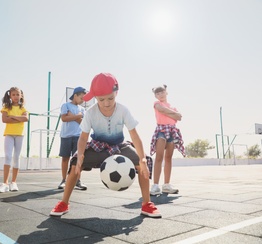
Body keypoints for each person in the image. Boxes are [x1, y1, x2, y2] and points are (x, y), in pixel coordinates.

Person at [50, 73, 161, 218]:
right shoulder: (90, 113)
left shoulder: (123, 110)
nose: (106, 103)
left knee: (143, 163)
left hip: (119, 146)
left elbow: (135, 135)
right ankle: (64, 203)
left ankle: (146, 204)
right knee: (75, 164)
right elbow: (83, 138)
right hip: (98, 145)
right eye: (101, 99)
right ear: (95, 97)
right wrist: (81, 154)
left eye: (110, 98)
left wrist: (143, 159)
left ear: (116, 93)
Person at [149, 85, 185, 196]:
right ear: (155, 95)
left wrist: (168, 112)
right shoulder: (156, 103)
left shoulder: (172, 106)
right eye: (157, 93)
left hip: (172, 130)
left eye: (162, 92)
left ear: (166, 92)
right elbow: (161, 110)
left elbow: (179, 117)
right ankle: (155, 185)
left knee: (168, 158)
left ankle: (166, 185)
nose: (160, 94)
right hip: (161, 130)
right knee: (159, 157)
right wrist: (172, 114)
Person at [0, 87, 28, 193]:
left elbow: (26, 119)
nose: (16, 97)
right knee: (8, 156)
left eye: (18, 94)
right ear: (10, 96)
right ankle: (5, 183)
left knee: (16, 157)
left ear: (21, 96)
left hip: (19, 135)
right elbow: (5, 119)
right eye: (13, 95)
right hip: (9, 134)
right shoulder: (6, 107)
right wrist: (19, 118)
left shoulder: (23, 108)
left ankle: (13, 182)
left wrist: (13, 117)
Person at [58, 86, 88, 191]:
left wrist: (72, 116)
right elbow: (64, 118)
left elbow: (82, 123)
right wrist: (77, 116)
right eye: (81, 98)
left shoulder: (83, 109)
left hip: (78, 137)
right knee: (65, 158)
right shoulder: (65, 105)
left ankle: (77, 181)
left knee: (78, 159)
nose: (83, 100)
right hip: (66, 136)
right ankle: (63, 180)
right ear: (75, 95)